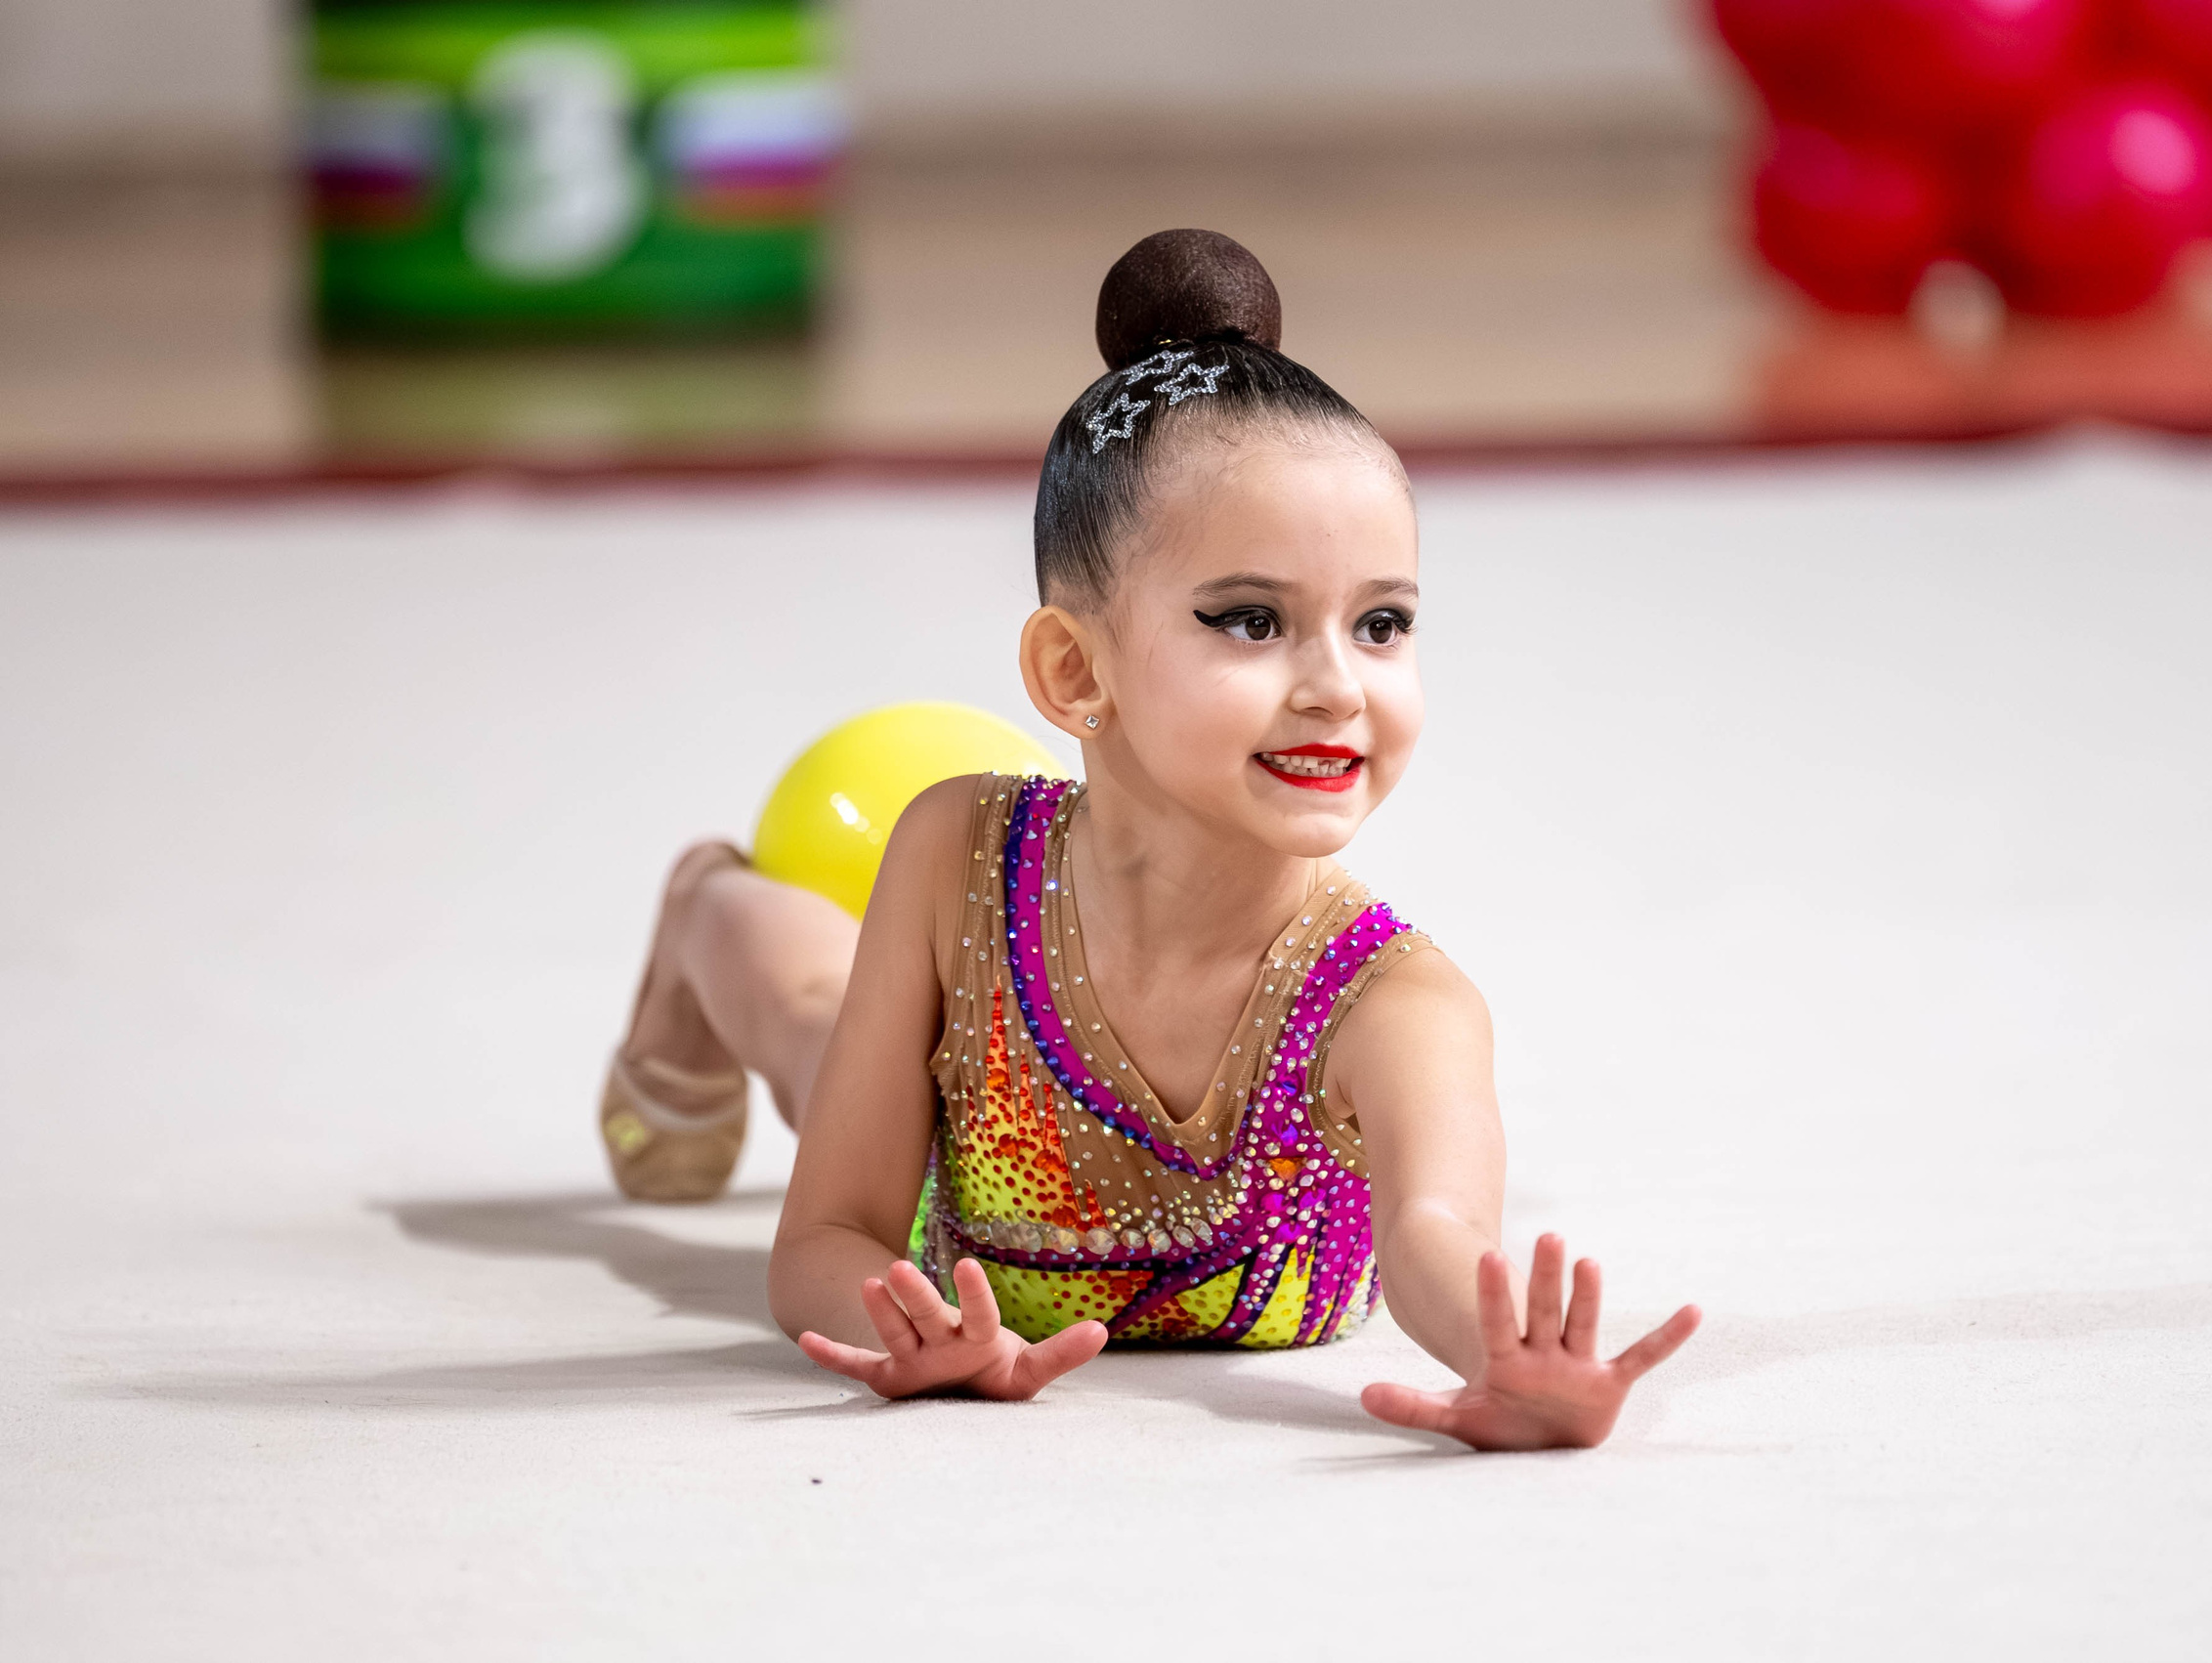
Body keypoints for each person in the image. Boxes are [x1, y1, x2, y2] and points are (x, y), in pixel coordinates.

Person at [596, 230, 1700, 1451]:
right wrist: (894, 1316)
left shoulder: (1398, 1005)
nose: (1338, 686)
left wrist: (1505, 1356)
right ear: (1075, 669)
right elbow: (823, 1236)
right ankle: (702, 901)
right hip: (948, 1178)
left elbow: (1439, 1231)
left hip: (1030, 1173)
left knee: (827, 1015)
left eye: (1381, 623)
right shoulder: (954, 854)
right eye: (1250, 620)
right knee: (809, 1013)